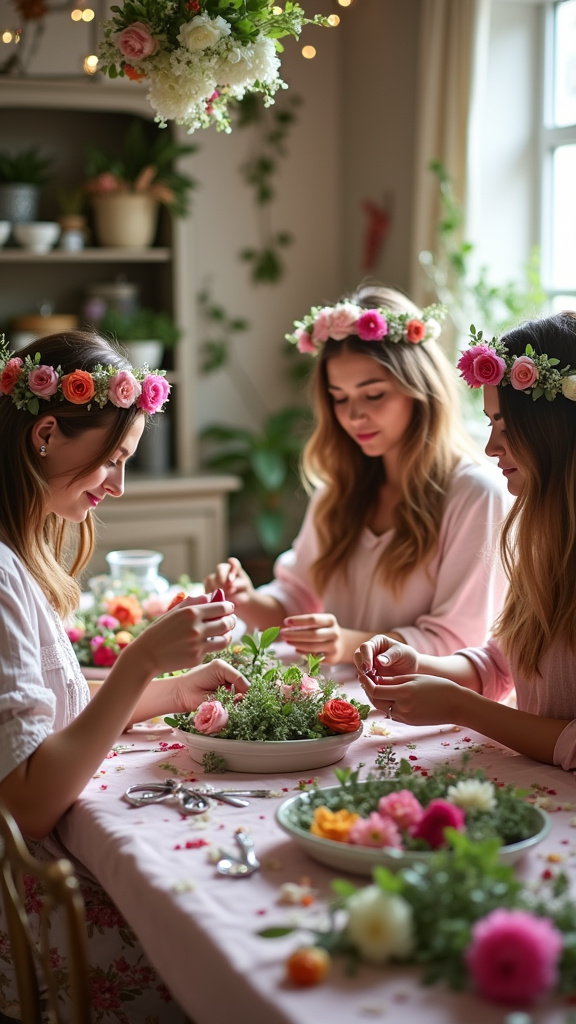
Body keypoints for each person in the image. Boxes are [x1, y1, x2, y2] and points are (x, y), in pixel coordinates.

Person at [0, 330, 248, 1022]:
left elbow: (49, 711)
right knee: (220, 940)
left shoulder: (15, 559)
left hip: (44, 894)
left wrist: (167, 692)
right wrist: (140, 658)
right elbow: (26, 801)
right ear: (47, 431)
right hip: (48, 920)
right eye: (112, 460)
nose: (118, 484)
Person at [205, 283, 510, 664]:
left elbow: (459, 642)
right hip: (334, 708)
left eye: (374, 394)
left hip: (420, 716)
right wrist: (247, 599)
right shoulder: (337, 490)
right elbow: (298, 600)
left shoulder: (476, 495)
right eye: (339, 398)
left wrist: (349, 644)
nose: (352, 416)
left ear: (421, 390)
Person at [355, 311, 576, 770]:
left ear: (557, 431)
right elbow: (500, 666)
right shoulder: (542, 537)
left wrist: (460, 707)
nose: (492, 446)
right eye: (490, 423)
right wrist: (420, 664)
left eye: (507, 426)